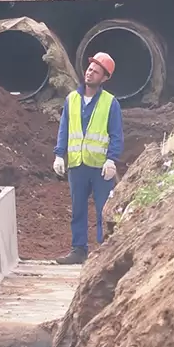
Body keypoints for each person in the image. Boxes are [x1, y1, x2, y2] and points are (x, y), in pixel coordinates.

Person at [52, 52, 124, 265]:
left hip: (101, 166)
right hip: (77, 165)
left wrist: (112, 160)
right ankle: (79, 250)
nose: (90, 73)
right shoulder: (71, 100)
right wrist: (59, 155)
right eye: (90, 68)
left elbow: (116, 135)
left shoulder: (110, 103)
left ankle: (105, 251)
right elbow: (64, 129)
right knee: (78, 209)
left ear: (104, 78)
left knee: (104, 210)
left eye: (96, 71)